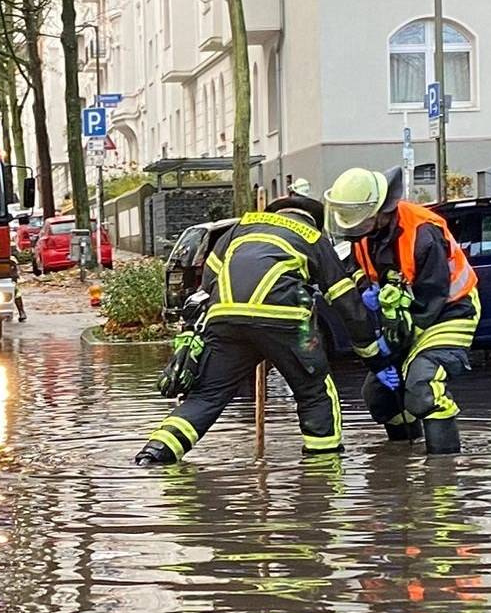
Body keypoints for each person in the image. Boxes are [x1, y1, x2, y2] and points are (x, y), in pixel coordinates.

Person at [134, 195, 374, 466]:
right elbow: (343, 298)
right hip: (286, 321)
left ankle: (155, 453)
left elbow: (205, 287)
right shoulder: (311, 236)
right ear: (315, 222)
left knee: (206, 396)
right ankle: (323, 471)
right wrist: (372, 352)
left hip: (224, 319)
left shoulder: (237, 229)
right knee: (315, 390)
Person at [324, 167, 480, 454]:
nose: (353, 229)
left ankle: (444, 469)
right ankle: (404, 456)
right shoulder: (366, 232)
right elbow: (355, 268)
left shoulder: (423, 232)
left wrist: (396, 341)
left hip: (450, 310)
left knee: (422, 384)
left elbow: (431, 297)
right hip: (405, 315)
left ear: (382, 210)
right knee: (379, 395)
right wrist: (364, 290)